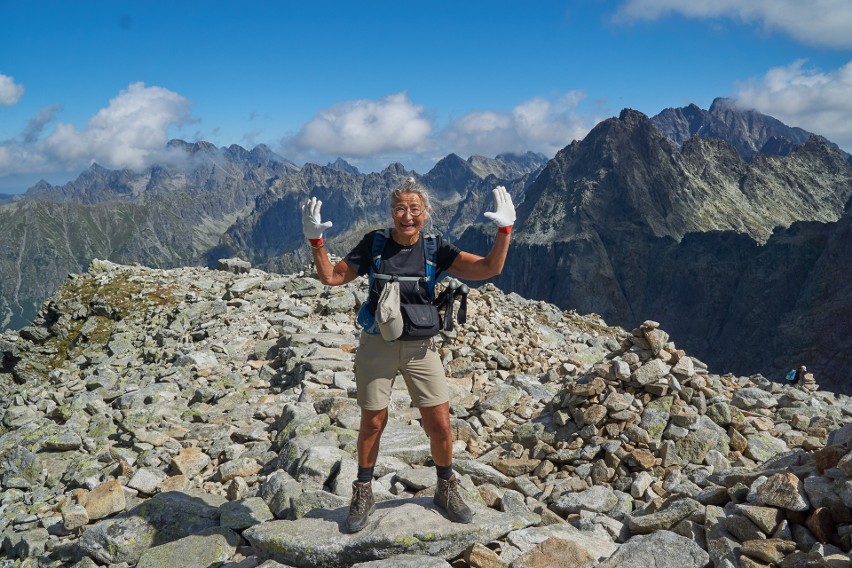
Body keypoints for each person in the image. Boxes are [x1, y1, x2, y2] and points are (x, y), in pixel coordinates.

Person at [301, 177, 515, 533]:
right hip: (377, 344)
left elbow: (488, 269)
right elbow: (332, 277)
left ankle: (446, 488)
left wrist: (505, 230)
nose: (407, 215)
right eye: (401, 208)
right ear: (391, 212)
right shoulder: (375, 244)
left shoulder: (435, 248)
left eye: (415, 209)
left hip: (420, 348)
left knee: (440, 423)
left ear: (425, 213)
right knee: (372, 422)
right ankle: (364, 491)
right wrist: (316, 242)